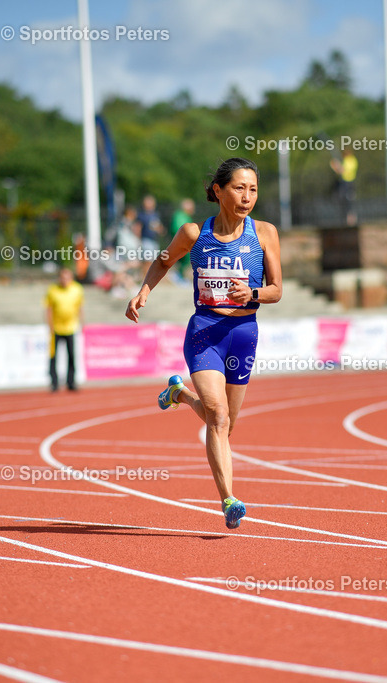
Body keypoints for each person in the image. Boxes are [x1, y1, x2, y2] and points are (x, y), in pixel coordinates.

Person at [125, 158, 282, 529]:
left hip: (243, 335)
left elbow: (277, 290)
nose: (247, 197)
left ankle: (179, 394)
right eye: (239, 188)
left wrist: (253, 293)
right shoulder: (194, 233)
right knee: (218, 415)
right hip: (205, 333)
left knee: (226, 425)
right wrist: (144, 290)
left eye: (253, 189)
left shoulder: (264, 233)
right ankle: (229, 499)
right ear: (218, 191)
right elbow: (164, 261)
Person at [44, 267, 83, 392]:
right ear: (59, 278)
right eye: (63, 277)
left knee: (71, 355)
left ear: (71, 278)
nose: (65, 280)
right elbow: (48, 309)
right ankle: (54, 383)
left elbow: (79, 307)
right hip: (56, 328)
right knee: (53, 356)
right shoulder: (52, 289)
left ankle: (71, 382)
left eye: (67, 277)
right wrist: (50, 326)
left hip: (71, 327)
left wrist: (81, 323)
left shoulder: (77, 289)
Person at [330, 146, 358, 226]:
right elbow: (340, 171)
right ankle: (345, 218)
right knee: (342, 200)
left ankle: (350, 219)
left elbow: (342, 170)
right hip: (343, 182)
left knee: (349, 201)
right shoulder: (346, 160)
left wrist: (336, 166)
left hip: (348, 182)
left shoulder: (351, 160)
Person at [169, 198, 195, 280]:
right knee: (183, 257)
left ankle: (180, 275)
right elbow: (177, 228)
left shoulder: (186, 216)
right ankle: (177, 276)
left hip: (185, 241)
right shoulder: (180, 215)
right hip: (181, 241)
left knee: (185, 258)